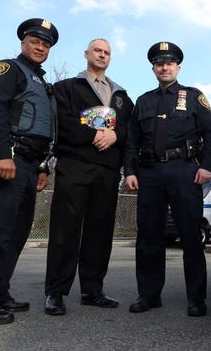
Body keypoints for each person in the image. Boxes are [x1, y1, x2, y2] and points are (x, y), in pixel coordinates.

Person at [0, 18, 58, 324]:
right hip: (5, 161)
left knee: (14, 234)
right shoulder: (8, 70)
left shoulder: (42, 84)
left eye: (45, 44)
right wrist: (1, 155)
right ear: (23, 43)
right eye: (35, 41)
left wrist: (44, 166)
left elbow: (46, 129)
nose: (40, 47)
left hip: (30, 167)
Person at [124, 41, 211, 317]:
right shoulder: (143, 101)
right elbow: (132, 141)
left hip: (184, 172)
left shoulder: (193, 96)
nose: (164, 67)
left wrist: (206, 166)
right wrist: (129, 171)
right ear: (153, 68)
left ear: (178, 67)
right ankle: (149, 295)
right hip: (149, 173)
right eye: (159, 63)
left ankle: (196, 298)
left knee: (190, 235)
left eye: (169, 62)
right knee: (148, 237)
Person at [44, 38, 134, 315]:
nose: (102, 55)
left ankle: (92, 290)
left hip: (107, 172)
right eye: (98, 50)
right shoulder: (67, 88)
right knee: (65, 230)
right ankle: (56, 293)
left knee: (100, 231)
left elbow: (131, 130)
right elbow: (63, 121)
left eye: (107, 52)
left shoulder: (121, 96)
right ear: (86, 54)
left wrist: (115, 134)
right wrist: (94, 133)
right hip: (75, 166)